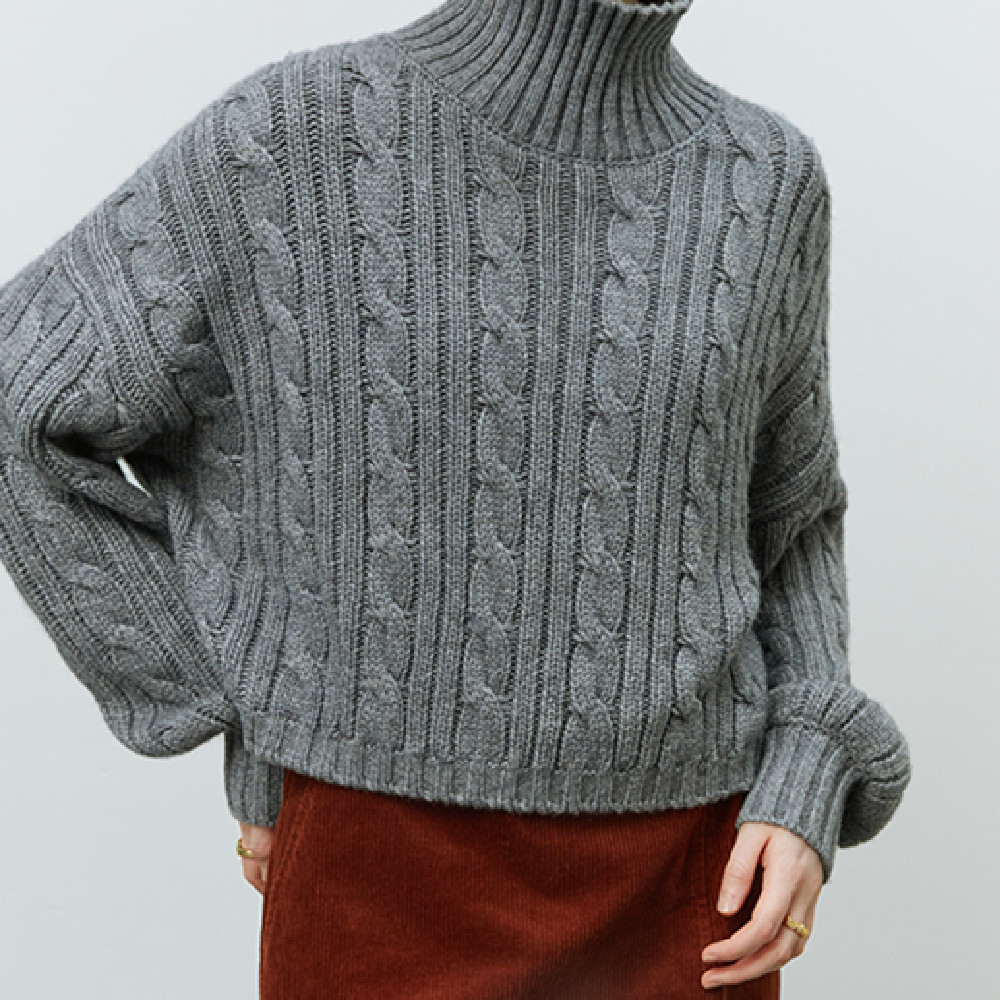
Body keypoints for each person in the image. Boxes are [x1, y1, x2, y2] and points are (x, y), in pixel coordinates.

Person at [0, 0, 911, 996]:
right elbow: (21, 398)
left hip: (689, 875)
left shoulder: (767, 180)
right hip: (376, 865)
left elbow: (791, 517)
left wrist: (806, 769)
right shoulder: (298, 132)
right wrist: (230, 702)